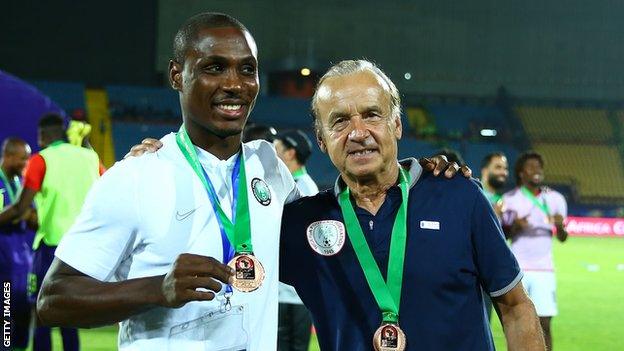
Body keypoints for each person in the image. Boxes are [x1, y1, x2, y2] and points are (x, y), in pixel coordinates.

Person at [37, 13, 466, 350]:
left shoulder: (269, 167)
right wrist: (158, 289)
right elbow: (53, 300)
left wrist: (422, 174)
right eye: (214, 68)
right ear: (176, 75)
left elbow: (347, 221)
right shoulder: (136, 177)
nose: (234, 84)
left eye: (247, 70)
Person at [279, 60, 545, 350]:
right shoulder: (301, 223)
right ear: (321, 139)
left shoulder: (458, 196)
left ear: (396, 125)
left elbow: (516, 308)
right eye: (340, 121)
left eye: (372, 115)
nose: (358, 132)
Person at [0, 114, 102, 351]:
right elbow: (105, 186)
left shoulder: (41, 160)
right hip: (82, 250)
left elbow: (19, 208)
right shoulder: (90, 158)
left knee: (43, 311)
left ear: (43, 136)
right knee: (70, 313)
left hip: (51, 247)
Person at [502, 151, 568, 351]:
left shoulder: (555, 199)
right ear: (521, 173)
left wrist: (561, 226)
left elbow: (563, 238)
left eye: (539, 167)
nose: (537, 171)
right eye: (531, 167)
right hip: (518, 269)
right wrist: (515, 227)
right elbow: (502, 236)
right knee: (516, 323)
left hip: (544, 269)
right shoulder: (510, 199)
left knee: (545, 324)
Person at [273, 130, 318, 351]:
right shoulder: (295, 184)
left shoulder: (303, 189)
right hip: (286, 292)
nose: (271, 154)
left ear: (290, 154)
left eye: (276, 149)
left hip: (294, 294)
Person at [0, 137, 33, 351]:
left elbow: (32, 217)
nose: (25, 164)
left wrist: (23, 213)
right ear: (9, 156)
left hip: (23, 262)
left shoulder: (20, 183)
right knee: (5, 315)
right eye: (22, 159)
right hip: (4, 263)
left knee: (24, 315)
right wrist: (18, 211)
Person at [479, 151, 509, 320]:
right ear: (485, 171)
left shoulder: (503, 201)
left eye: (505, 168)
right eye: (497, 167)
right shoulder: (474, 194)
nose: (503, 172)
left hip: (490, 275)